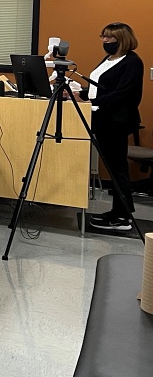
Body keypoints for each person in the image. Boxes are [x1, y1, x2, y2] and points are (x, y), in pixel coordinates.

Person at [73, 23, 144, 232]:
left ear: (122, 39)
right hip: (102, 118)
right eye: (103, 36)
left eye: (109, 38)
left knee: (117, 168)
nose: (104, 41)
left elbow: (123, 94)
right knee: (114, 168)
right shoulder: (109, 59)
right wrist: (82, 94)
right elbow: (101, 89)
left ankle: (123, 217)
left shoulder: (132, 62)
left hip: (116, 121)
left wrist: (93, 103)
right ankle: (118, 212)